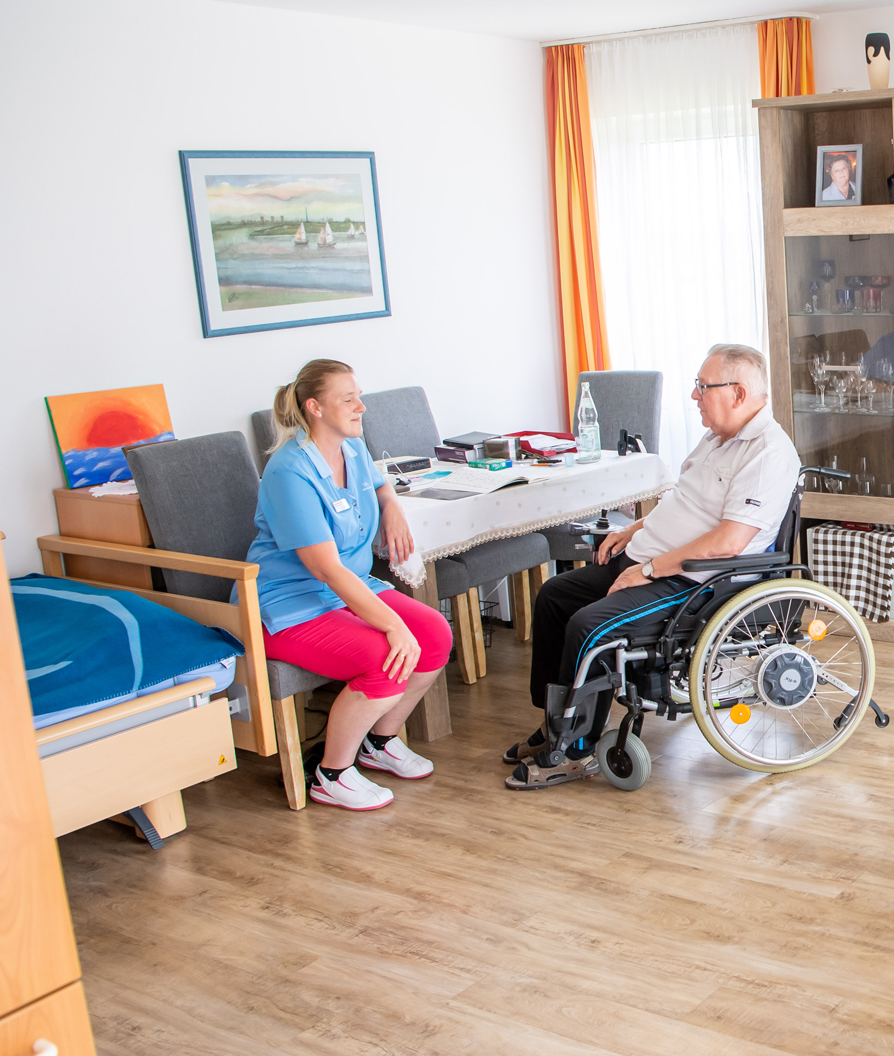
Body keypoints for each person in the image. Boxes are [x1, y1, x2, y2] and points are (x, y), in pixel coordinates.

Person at [506, 343, 802, 789]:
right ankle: (554, 724)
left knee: (589, 626)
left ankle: (575, 749)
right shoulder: (717, 438)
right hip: (650, 558)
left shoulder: (768, 454)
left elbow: (728, 541)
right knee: (554, 596)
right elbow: (686, 502)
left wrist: (648, 570)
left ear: (738, 393)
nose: (695, 396)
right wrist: (634, 528)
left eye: (703, 387)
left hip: (692, 581)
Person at [249, 359, 453, 811]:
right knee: (385, 657)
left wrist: (392, 506)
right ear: (315, 408)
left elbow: (380, 485)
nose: (362, 407)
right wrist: (392, 626)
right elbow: (326, 570)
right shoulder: (289, 472)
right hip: (288, 604)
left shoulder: (352, 448)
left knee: (435, 636)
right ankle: (332, 774)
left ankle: (378, 743)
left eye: (358, 396)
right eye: (348, 399)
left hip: (348, 588)